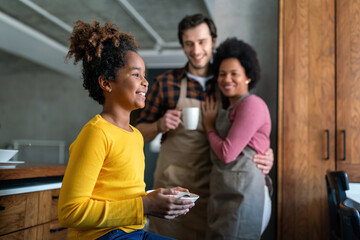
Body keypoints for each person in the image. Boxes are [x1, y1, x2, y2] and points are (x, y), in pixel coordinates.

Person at [135, 14, 274, 239]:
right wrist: (159, 124)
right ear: (182, 45)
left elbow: (248, 127)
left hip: (215, 191)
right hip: (174, 190)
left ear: (213, 41)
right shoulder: (166, 83)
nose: (196, 50)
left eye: (202, 42)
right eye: (189, 44)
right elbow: (136, 134)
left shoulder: (226, 84)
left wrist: (266, 153)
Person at [57, 19, 195, 240]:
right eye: (136, 74)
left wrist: (161, 197)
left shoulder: (136, 135)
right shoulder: (96, 133)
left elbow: (124, 194)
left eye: (144, 76)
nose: (145, 82)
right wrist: (145, 205)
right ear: (106, 83)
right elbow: (70, 212)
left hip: (134, 232)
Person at [201, 38, 272, 239]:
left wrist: (208, 127)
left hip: (246, 193)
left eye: (234, 74)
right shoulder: (231, 106)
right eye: (222, 74)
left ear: (248, 76)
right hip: (226, 191)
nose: (226, 79)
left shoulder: (252, 104)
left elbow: (227, 153)